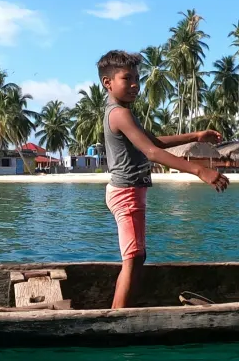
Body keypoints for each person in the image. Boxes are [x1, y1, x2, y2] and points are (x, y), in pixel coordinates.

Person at [98, 50, 230, 309]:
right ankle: (117, 317)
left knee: (136, 256)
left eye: (138, 78)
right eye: (128, 78)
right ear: (108, 83)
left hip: (128, 191)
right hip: (127, 193)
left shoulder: (122, 111)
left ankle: (119, 311)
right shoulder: (119, 113)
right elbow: (152, 152)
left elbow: (154, 142)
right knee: (134, 258)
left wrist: (195, 136)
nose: (135, 84)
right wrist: (200, 171)